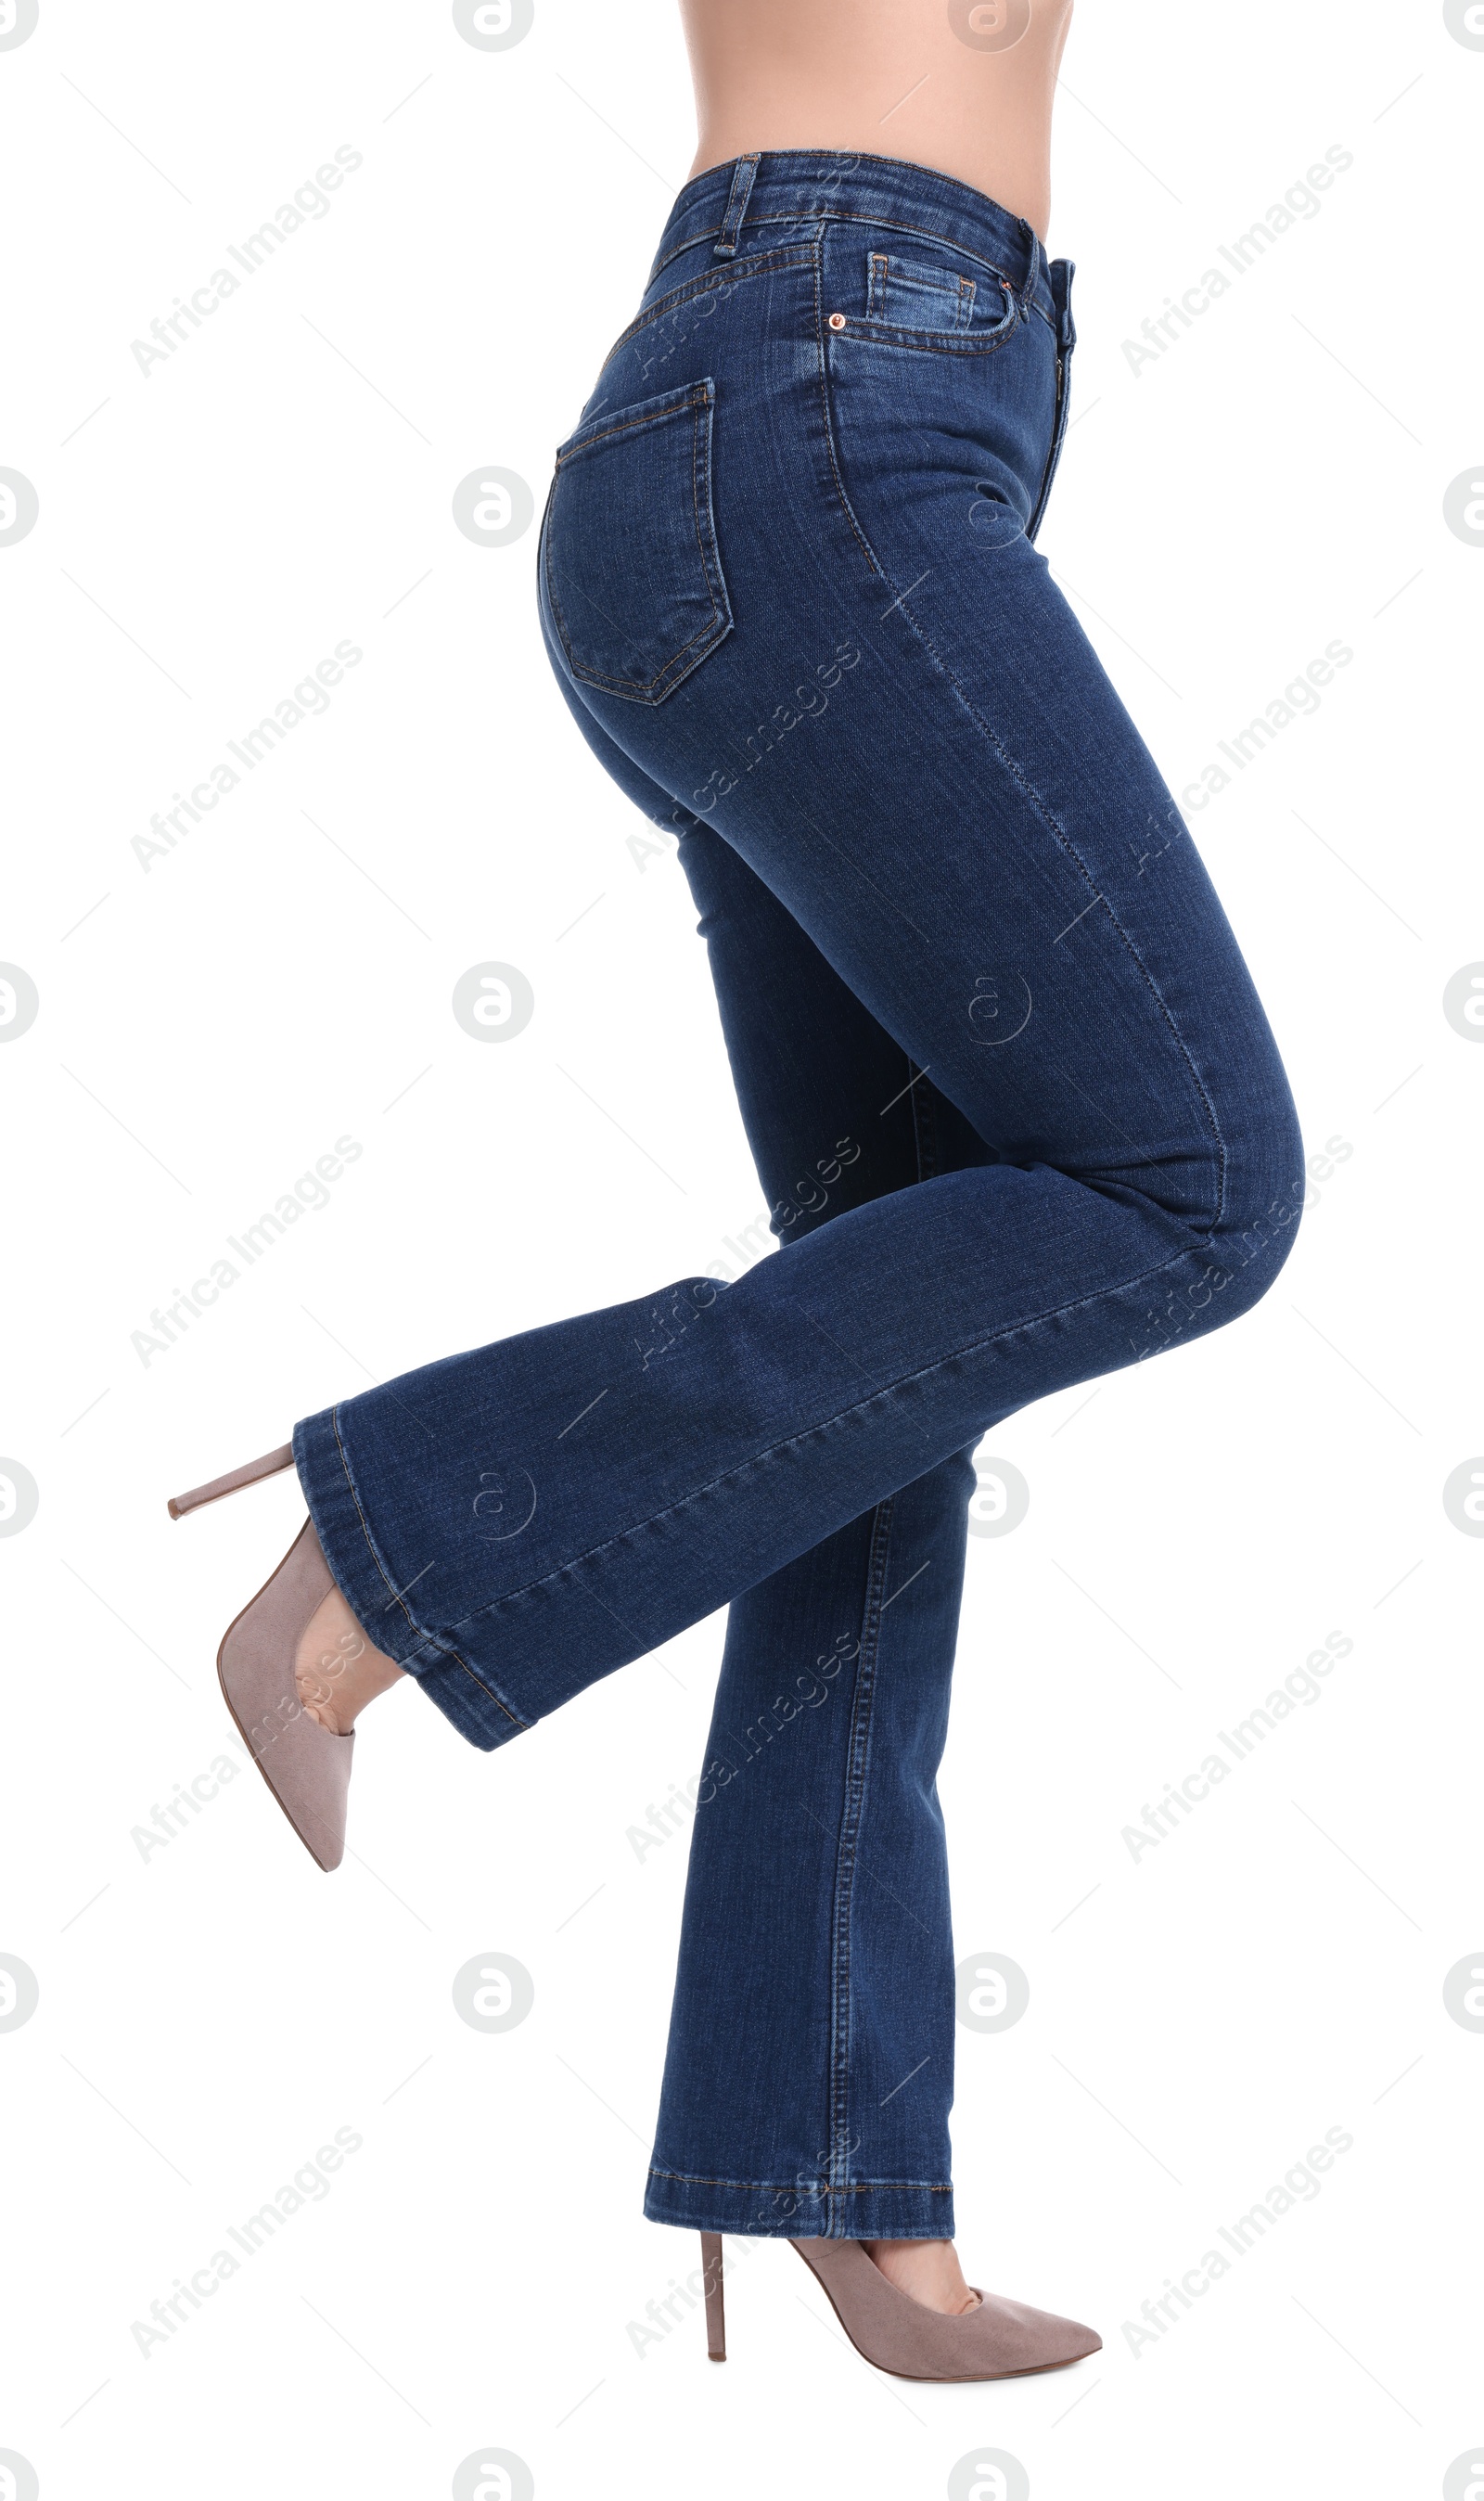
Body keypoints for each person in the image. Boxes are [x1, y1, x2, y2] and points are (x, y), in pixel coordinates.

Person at [170, 0, 1303, 2381]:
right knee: (1189, 1183)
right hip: (821, 419)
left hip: (855, 421)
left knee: (890, 1351)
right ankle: (407, 1536)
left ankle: (829, 2161)